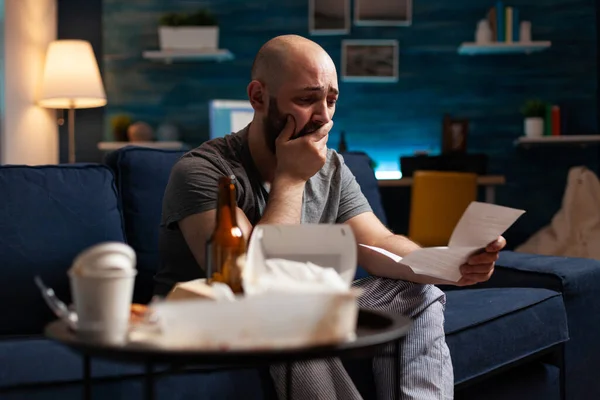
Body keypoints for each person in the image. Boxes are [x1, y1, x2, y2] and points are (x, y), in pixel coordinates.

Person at [156, 34, 506, 400]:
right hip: (211, 317)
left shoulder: (333, 167)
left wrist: (448, 263)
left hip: (291, 306)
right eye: (306, 99)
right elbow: (251, 281)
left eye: (331, 100)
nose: (323, 115)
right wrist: (291, 179)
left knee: (418, 292)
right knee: (285, 307)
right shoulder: (202, 171)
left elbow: (379, 243)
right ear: (258, 97)